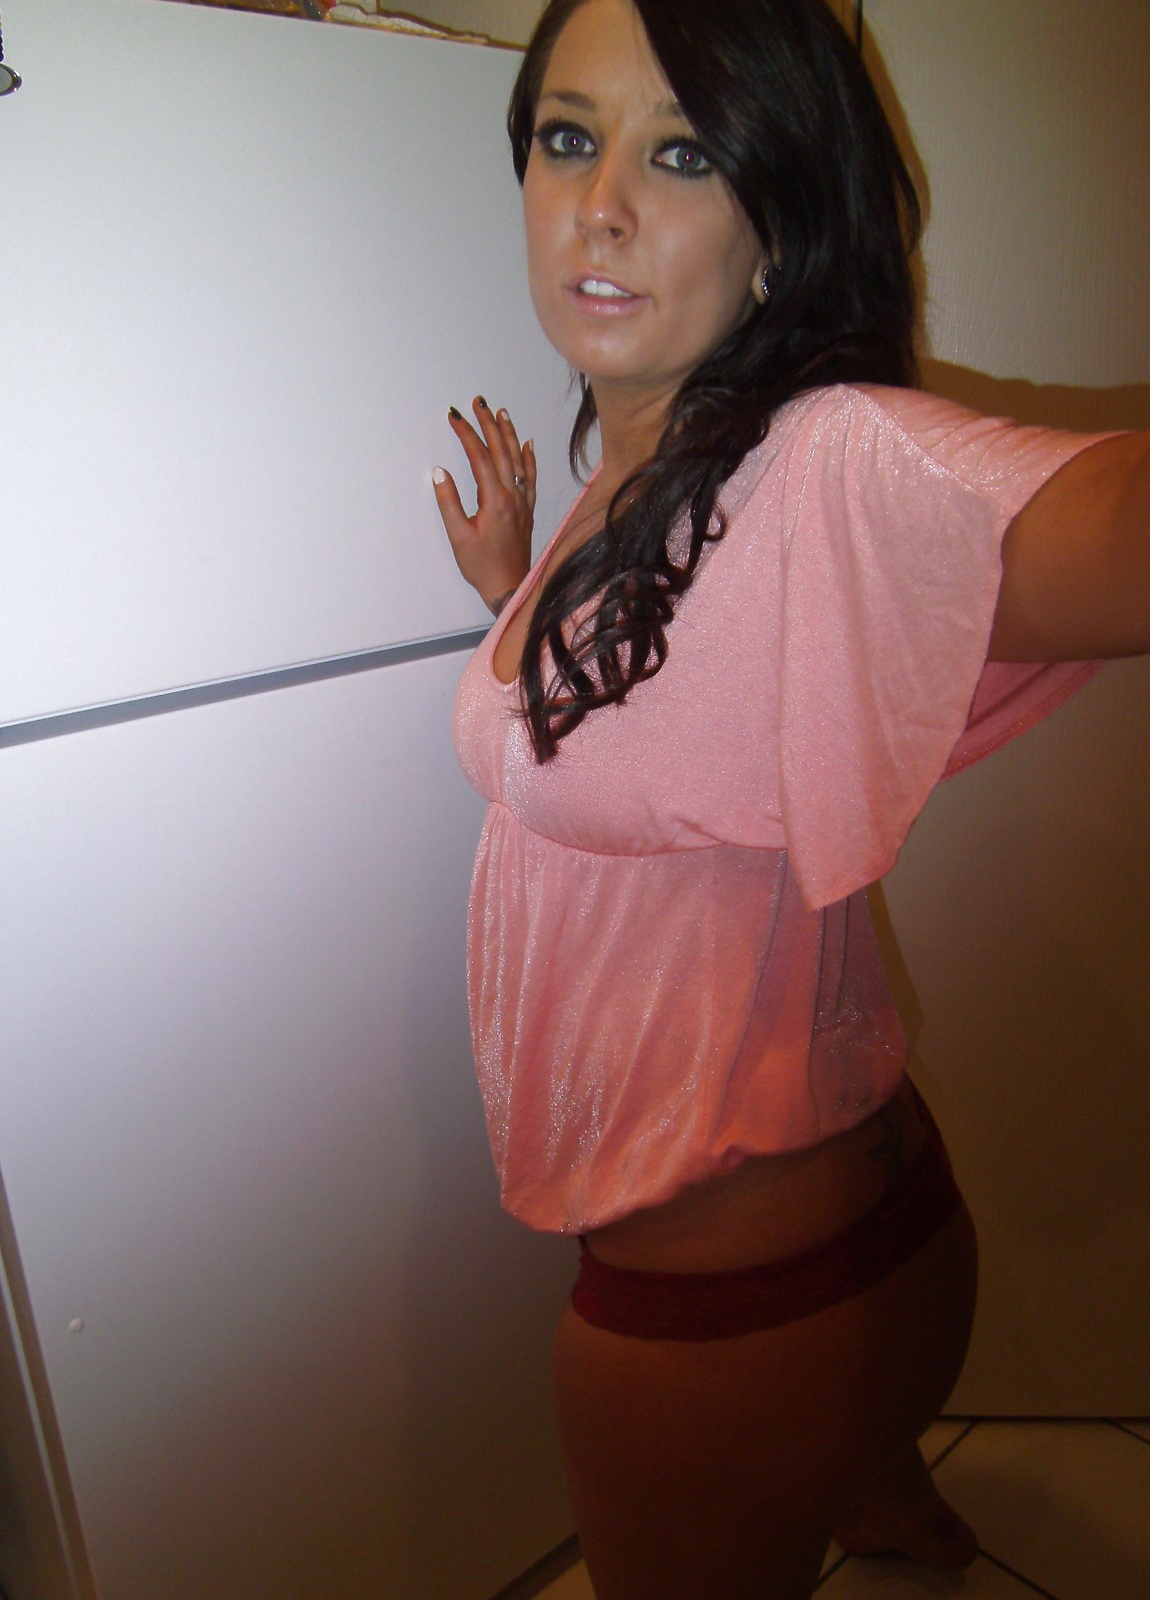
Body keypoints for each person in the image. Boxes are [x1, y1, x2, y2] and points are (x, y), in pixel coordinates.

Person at [432, 2, 1149, 1595]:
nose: (599, 204)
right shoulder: (643, 477)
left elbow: (1119, 524)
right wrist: (514, 587)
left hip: (731, 1313)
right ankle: (898, 1510)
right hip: (881, 1230)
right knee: (872, 1505)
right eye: (568, 136)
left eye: (685, 154)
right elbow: (651, 717)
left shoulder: (822, 467)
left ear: (782, 229)